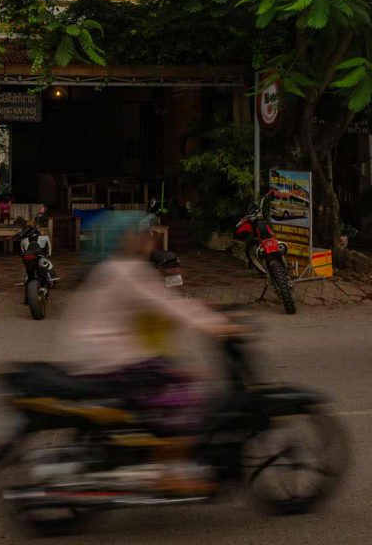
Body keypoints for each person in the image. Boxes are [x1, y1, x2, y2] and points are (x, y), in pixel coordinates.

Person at [55, 211, 242, 493]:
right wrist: (219, 326)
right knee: (190, 394)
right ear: (126, 239)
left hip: (103, 357)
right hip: (116, 362)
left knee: (179, 372)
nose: (149, 237)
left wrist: (204, 310)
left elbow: (165, 304)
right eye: (142, 233)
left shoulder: (111, 268)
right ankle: (168, 471)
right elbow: (169, 307)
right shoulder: (129, 271)